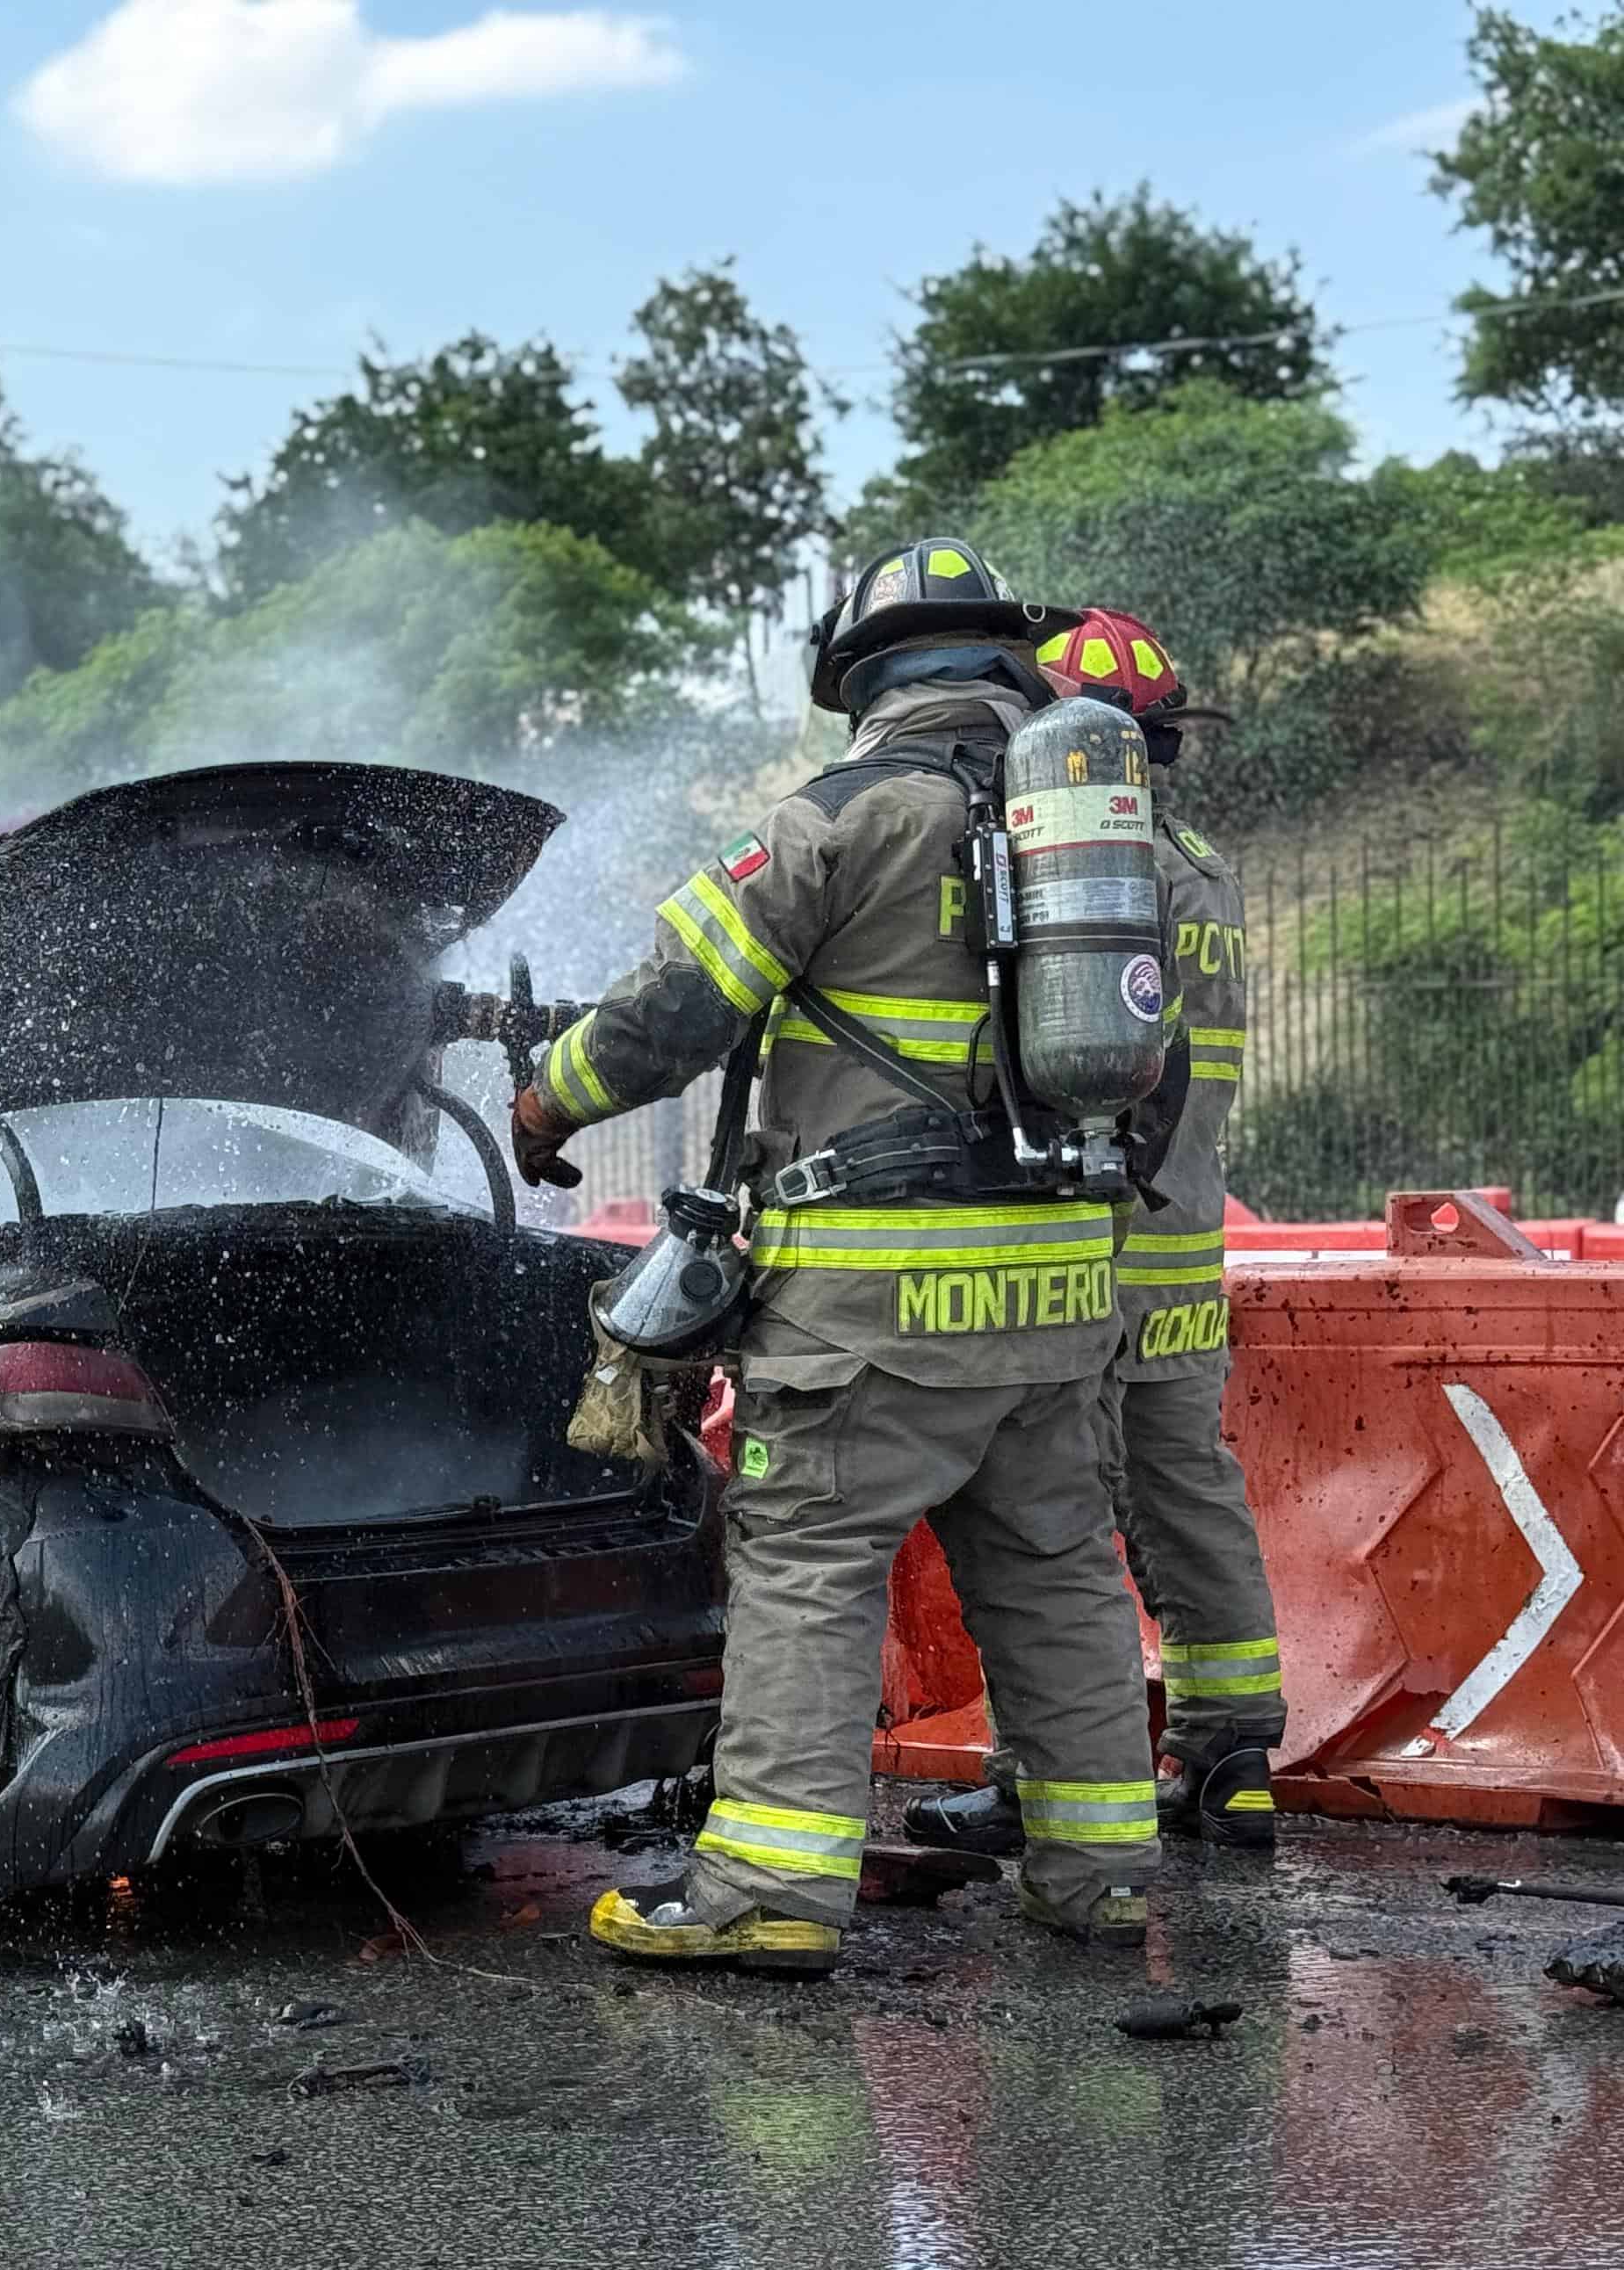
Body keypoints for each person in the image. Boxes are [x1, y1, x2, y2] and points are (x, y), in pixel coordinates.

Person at [515, 539, 1159, 1972]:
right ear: (1006, 662)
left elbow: (675, 1012)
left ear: (860, 679)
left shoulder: (839, 820)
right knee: (1056, 1571)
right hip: (1061, 1295)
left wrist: (546, 1093)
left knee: (811, 1566)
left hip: (878, 1307)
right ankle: (1102, 1869)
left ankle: (768, 1892)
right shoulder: (1113, 844)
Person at [906, 609, 1283, 1857]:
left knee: (1051, 1511)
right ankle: (1235, 1763)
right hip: (1188, 1235)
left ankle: (1047, 1779)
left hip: (1107, 1235)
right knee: (1188, 1490)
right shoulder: (1205, 863)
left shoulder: (1101, 864)